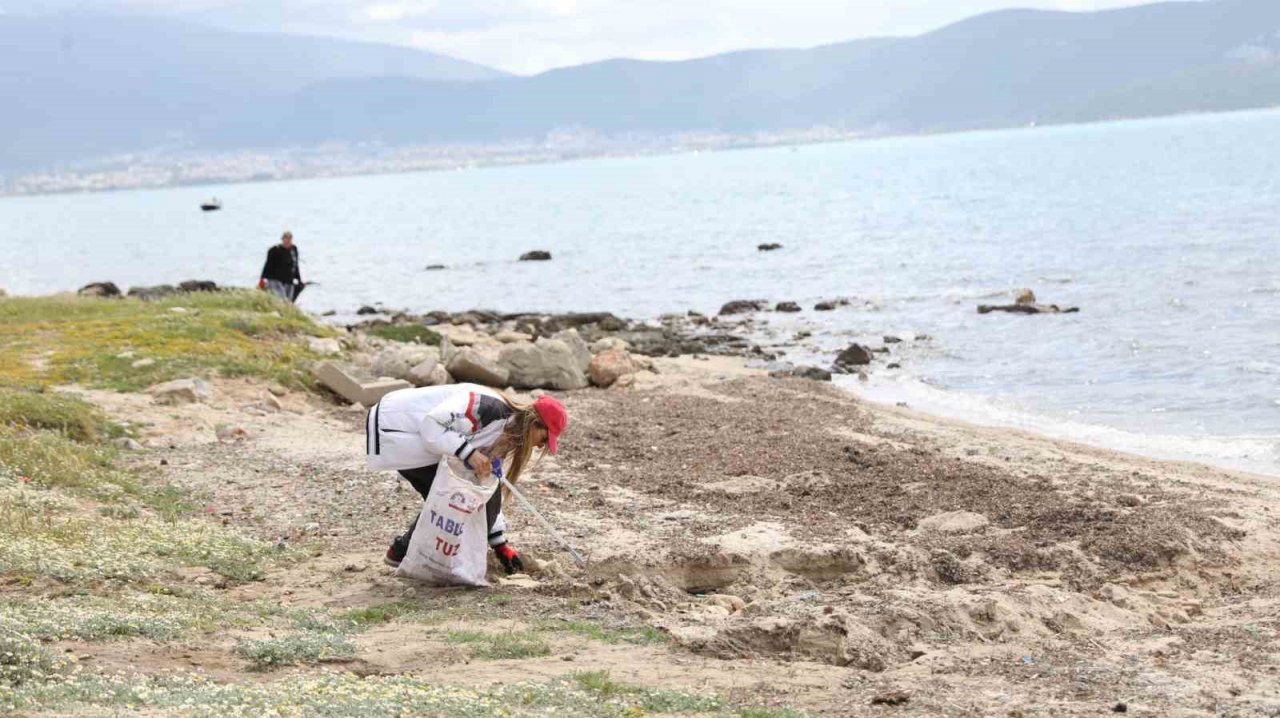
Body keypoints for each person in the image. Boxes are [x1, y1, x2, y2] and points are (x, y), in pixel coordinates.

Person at [365, 384, 568, 574]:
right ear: (534, 423)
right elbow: (432, 423)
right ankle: (402, 551)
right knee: (455, 498)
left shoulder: (506, 433)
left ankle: (404, 553)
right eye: (544, 438)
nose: (541, 446)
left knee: (463, 496)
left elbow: (488, 488)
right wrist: (468, 453)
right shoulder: (490, 408)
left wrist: (500, 545)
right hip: (393, 425)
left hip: (414, 437)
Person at [257, 231, 302, 302]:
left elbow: (295, 265)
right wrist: (262, 278)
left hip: (289, 280)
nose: (287, 241)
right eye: (285, 239)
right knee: (282, 300)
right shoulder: (274, 250)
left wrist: (299, 280)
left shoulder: (293, 249)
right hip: (275, 279)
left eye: (289, 239)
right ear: (282, 239)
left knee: (288, 301)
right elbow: (268, 265)